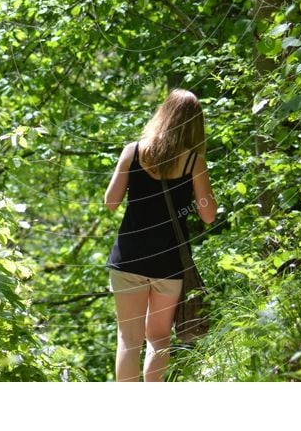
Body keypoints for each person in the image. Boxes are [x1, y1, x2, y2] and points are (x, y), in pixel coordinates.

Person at [104, 88, 217, 382]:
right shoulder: (194, 162)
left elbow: (110, 202)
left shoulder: (133, 151)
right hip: (167, 263)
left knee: (128, 339)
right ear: (195, 124)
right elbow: (208, 215)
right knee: (158, 339)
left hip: (127, 258)